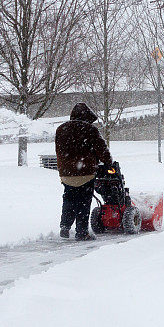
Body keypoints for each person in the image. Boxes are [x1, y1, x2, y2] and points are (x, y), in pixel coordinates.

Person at [55, 103, 112, 240]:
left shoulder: (61, 129)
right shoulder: (90, 129)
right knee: (83, 202)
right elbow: (102, 149)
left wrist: (65, 166)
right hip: (85, 173)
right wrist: (108, 162)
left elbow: (58, 151)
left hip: (66, 174)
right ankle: (82, 232)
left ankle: (65, 226)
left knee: (69, 199)